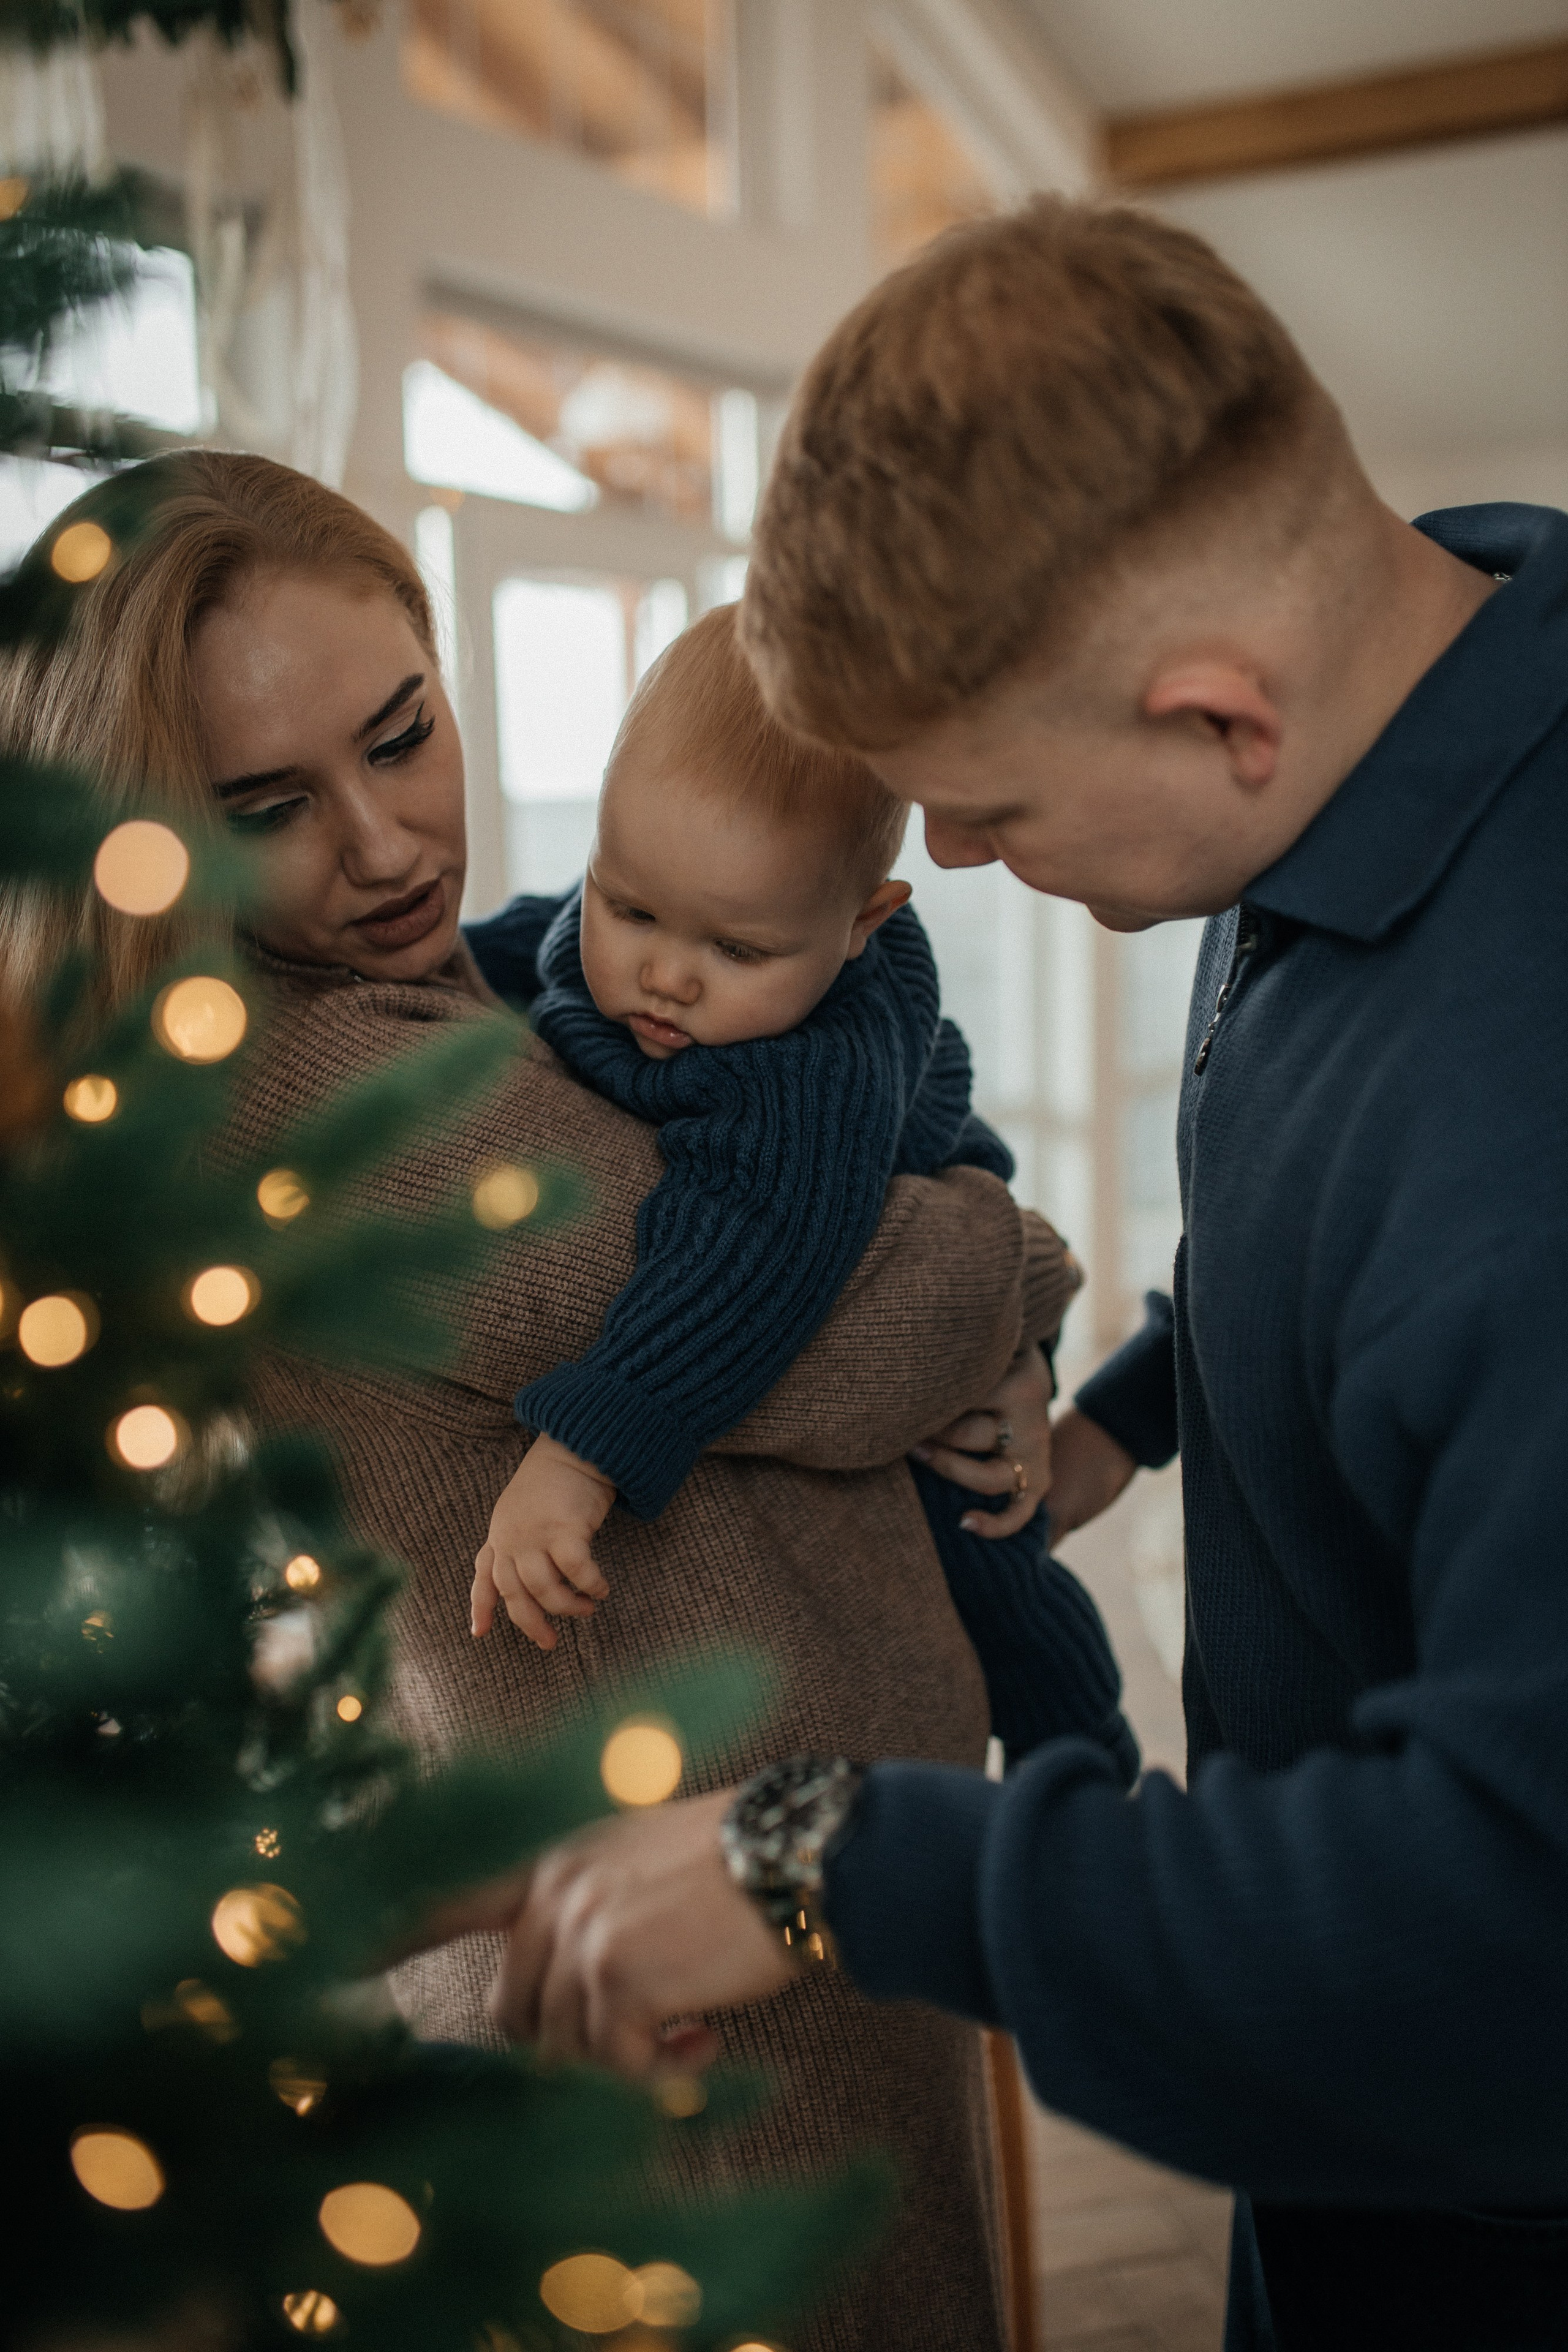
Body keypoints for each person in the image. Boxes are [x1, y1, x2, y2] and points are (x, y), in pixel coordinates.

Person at [469, 198, 1568, 2352]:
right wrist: (1118, 1425)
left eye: (980, 808)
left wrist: (827, 1862)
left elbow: (1507, 1926)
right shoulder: (1413, 712)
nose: (956, 865)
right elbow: (1332, 1249)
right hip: (1347, 2139)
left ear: (1213, 716)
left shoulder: (1519, 1106)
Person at [0, 448, 1107, 2352]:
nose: (384, 845)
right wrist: (1009, 1260)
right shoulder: (332, 1096)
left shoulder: (474, 991)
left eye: (402, 734)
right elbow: (833, 1334)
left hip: (761, 1901)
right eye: (269, 806)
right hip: (663, 1979)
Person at [464, 603, 1136, 1784]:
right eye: (631, 907)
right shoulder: (648, 918)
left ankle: (1084, 1762)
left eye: (738, 951)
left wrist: (579, 1458)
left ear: (858, 927)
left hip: (888, 1189)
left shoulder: (800, 1069)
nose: (665, 973)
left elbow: (752, 1248)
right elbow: (531, 944)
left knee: (984, 1551)